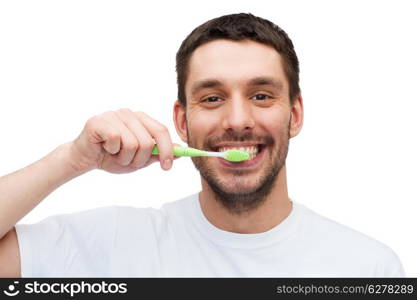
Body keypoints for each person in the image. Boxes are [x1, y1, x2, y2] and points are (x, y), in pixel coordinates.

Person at [0, 13, 405, 277]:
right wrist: (70, 160)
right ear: (182, 122)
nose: (237, 120)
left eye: (261, 95)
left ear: (295, 115)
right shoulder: (112, 244)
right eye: (212, 98)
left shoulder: (367, 267)